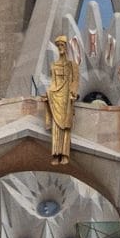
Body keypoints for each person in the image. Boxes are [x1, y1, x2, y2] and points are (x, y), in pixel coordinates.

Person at [45, 32, 79, 166]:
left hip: (67, 98)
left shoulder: (72, 65)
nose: (60, 47)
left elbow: (75, 81)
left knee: (65, 126)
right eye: (58, 45)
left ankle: (64, 153)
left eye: (62, 45)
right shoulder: (54, 65)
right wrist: (48, 93)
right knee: (56, 126)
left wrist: (73, 93)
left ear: (66, 47)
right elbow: (53, 83)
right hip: (57, 96)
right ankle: (55, 153)